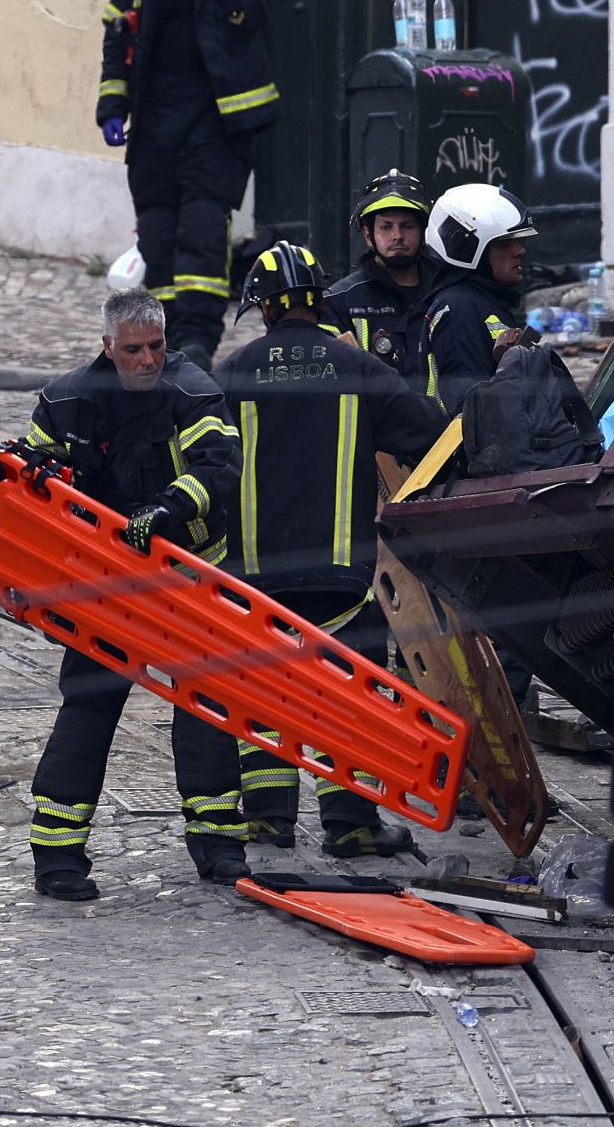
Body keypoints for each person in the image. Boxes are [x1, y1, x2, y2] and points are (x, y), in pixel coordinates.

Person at [0, 288, 248, 899]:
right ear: (106, 347)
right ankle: (58, 857)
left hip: (189, 580)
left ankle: (220, 846)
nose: (147, 360)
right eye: (132, 350)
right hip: (102, 586)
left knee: (205, 706)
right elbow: (32, 471)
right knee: (89, 707)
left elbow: (220, 466)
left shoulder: (194, 390)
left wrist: (169, 508)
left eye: (155, 347)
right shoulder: (67, 398)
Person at [214, 242, 448, 856]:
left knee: (263, 691)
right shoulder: (357, 366)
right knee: (350, 698)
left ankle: (268, 818)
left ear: (262, 309)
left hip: (255, 577)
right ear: (320, 300)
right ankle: (350, 824)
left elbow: (200, 462)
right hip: (344, 576)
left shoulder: (233, 373)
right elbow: (427, 433)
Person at [95, 0, 315, 371]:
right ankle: (163, 340)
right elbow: (116, 39)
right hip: (152, 129)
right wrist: (111, 104)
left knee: (201, 236)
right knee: (158, 239)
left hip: (217, 130)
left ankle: (198, 339)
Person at [419, 183, 539, 413]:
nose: (519, 251)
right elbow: (469, 407)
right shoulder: (458, 309)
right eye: (504, 243)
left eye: (517, 241)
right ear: (468, 249)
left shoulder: (483, 302)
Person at [322, 171, 439, 385]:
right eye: (386, 227)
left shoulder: (446, 292)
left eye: (407, 226)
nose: (397, 236)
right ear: (368, 235)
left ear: (423, 231)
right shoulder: (338, 302)